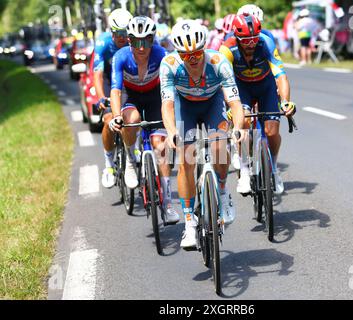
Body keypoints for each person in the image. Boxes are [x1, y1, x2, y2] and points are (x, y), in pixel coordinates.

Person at [160, 19, 247, 249]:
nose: (193, 59)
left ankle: (222, 189)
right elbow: (167, 106)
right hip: (184, 106)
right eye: (187, 55)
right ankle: (189, 222)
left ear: (204, 49)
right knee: (186, 158)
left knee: (220, 146)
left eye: (197, 53)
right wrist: (171, 132)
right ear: (179, 53)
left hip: (212, 103)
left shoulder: (218, 62)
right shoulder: (168, 65)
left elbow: (235, 103)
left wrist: (238, 128)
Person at [108, 16, 180, 224]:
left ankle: (166, 202)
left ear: (153, 40)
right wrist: (116, 116)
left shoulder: (161, 54)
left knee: (161, 146)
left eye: (146, 41)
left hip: (155, 97)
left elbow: (172, 87)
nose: (142, 48)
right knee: (131, 120)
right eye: (137, 42)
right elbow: (115, 90)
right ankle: (131, 159)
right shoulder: (120, 57)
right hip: (132, 98)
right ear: (129, 41)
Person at [219, 14, 296, 196]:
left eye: (254, 38)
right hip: (241, 88)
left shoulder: (266, 42)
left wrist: (285, 102)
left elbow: (281, 75)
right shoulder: (227, 48)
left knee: (272, 130)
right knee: (244, 122)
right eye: (246, 40)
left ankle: (274, 169)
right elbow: (223, 82)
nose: (251, 43)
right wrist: (230, 107)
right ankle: (244, 170)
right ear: (237, 37)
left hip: (265, 86)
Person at [93, 8, 133, 188]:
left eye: (126, 33)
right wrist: (101, 97)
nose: (123, 37)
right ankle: (108, 164)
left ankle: (134, 147)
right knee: (109, 119)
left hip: (129, 77)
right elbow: (98, 74)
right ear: (111, 32)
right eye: (118, 33)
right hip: (110, 79)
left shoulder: (135, 40)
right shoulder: (102, 43)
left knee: (134, 115)